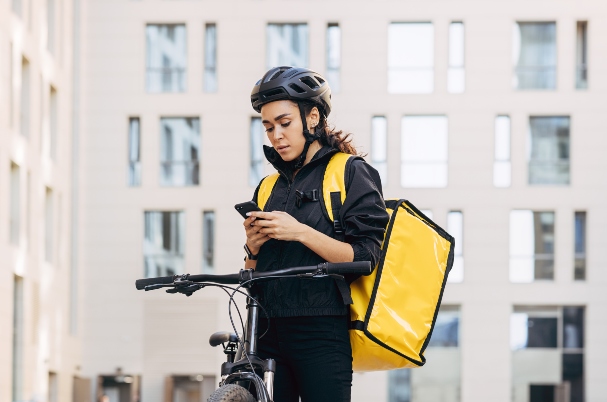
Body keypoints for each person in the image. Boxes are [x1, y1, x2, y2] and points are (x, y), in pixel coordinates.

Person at [243, 66, 389, 402]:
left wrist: (300, 232)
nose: (276, 135)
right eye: (268, 127)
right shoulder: (267, 187)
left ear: (312, 118)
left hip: (320, 332)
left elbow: (366, 257)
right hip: (265, 330)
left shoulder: (350, 172)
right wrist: (252, 248)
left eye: (284, 123)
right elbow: (253, 273)